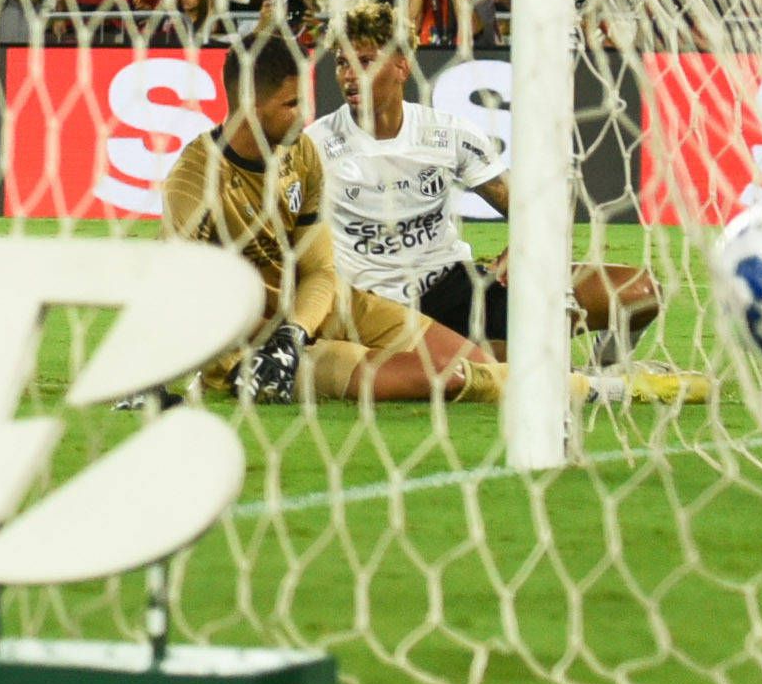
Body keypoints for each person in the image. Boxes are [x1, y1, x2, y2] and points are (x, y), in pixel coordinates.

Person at [314, 0, 666, 370]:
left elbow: (528, 211)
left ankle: (604, 369)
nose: (349, 75)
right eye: (341, 63)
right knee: (514, 365)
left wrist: (520, 245)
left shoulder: (446, 135)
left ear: (401, 66)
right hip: (373, 309)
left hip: (451, 290)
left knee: (640, 292)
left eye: (365, 61)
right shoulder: (316, 144)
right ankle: (524, 368)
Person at [161, 31, 509, 408]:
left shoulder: (302, 153)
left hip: (326, 308)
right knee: (447, 377)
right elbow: (182, 292)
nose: (304, 115)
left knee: (480, 363)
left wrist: (294, 332)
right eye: (292, 104)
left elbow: (320, 270)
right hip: (253, 342)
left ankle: (555, 382)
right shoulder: (196, 181)